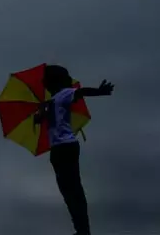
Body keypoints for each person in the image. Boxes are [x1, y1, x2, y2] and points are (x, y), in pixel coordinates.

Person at [34, 64, 114, 235]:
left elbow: (81, 92)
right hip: (57, 149)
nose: (44, 84)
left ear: (54, 81)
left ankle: (83, 229)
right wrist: (41, 111)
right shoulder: (51, 102)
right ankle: (80, 228)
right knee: (67, 190)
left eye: (46, 80)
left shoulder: (64, 94)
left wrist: (100, 91)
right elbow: (38, 121)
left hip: (66, 147)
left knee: (73, 189)